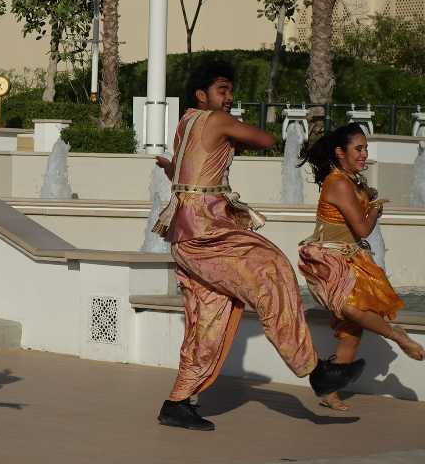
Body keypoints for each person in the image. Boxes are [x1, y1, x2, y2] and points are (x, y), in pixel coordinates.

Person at [151, 60, 364, 430]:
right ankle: (315, 371)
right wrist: (238, 133)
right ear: (202, 95)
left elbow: (188, 171)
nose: (230, 97)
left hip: (189, 236)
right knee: (272, 269)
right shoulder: (214, 119)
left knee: (209, 319)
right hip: (205, 234)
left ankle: (178, 402)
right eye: (223, 90)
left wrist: (176, 168)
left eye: (231, 90)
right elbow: (267, 139)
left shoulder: (186, 122)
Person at [297, 124, 424, 410]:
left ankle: (329, 390)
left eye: (365, 148)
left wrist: (370, 201)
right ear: (340, 153)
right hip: (328, 261)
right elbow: (363, 229)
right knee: (350, 308)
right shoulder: (339, 182)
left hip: (351, 259)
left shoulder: (352, 180)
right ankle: (397, 336)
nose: (364, 154)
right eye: (359, 148)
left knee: (351, 328)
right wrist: (375, 210)